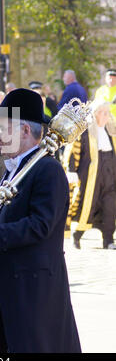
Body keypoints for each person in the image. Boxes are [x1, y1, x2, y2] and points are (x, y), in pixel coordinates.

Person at [0, 88, 81, 353]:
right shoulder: (15, 168)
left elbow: (40, 225)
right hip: (9, 288)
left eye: (2, 127)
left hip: (35, 294)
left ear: (25, 131)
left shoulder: (47, 169)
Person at [63, 101, 116, 250]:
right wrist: (71, 170)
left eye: (107, 113)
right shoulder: (85, 132)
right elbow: (73, 150)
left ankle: (108, 239)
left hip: (110, 177)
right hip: (90, 179)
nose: (106, 116)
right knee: (86, 206)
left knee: (110, 207)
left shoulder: (112, 133)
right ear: (95, 114)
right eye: (102, 113)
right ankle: (77, 236)